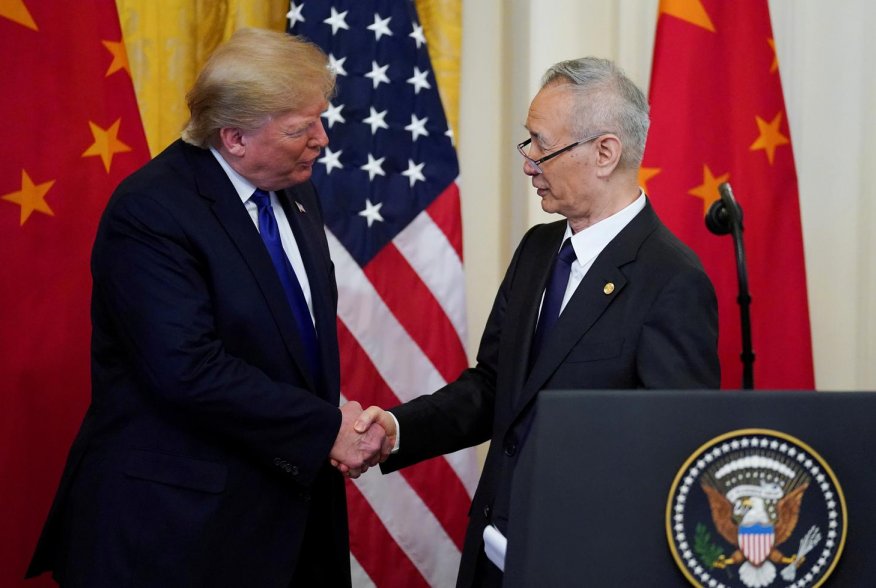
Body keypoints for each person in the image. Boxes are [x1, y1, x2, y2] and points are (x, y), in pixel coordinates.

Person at [26, 28, 391, 587]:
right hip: (177, 531)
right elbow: (187, 369)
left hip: (288, 517)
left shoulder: (296, 190)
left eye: (321, 118)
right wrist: (326, 428)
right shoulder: (152, 211)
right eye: (301, 128)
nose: (323, 139)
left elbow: (288, 342)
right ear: (235, 138)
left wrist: (334, 417)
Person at [354, 57, 720, 587]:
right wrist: (396, 428)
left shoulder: (671, 279)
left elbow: (674, 453)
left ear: (604, 153)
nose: (528, 163)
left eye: (540, 145)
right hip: (493, 559)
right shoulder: (538, 248)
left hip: (586, 565)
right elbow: (495, 386)